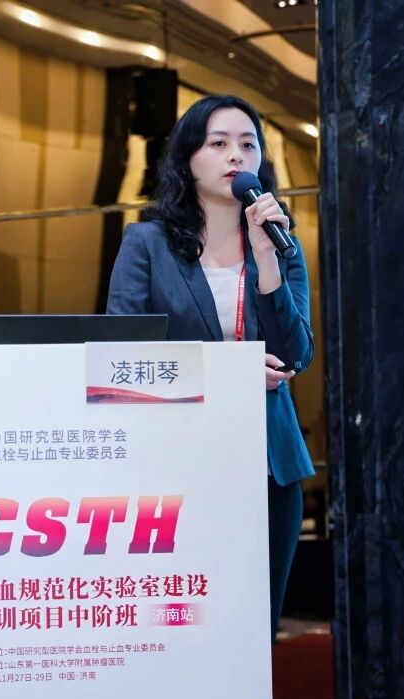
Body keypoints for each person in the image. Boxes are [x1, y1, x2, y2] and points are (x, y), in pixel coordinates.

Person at [106, 94, 315, 642]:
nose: (236, 156)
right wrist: (227, 374)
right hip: (174, 465)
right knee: (185, 632)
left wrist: (267, 259)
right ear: (188, 157)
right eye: (218, 143)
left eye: (248, 145)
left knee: (255, 632)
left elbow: (295, 355)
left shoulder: (283, 248)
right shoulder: (147, 244)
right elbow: (119, 360)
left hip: (268, 465)